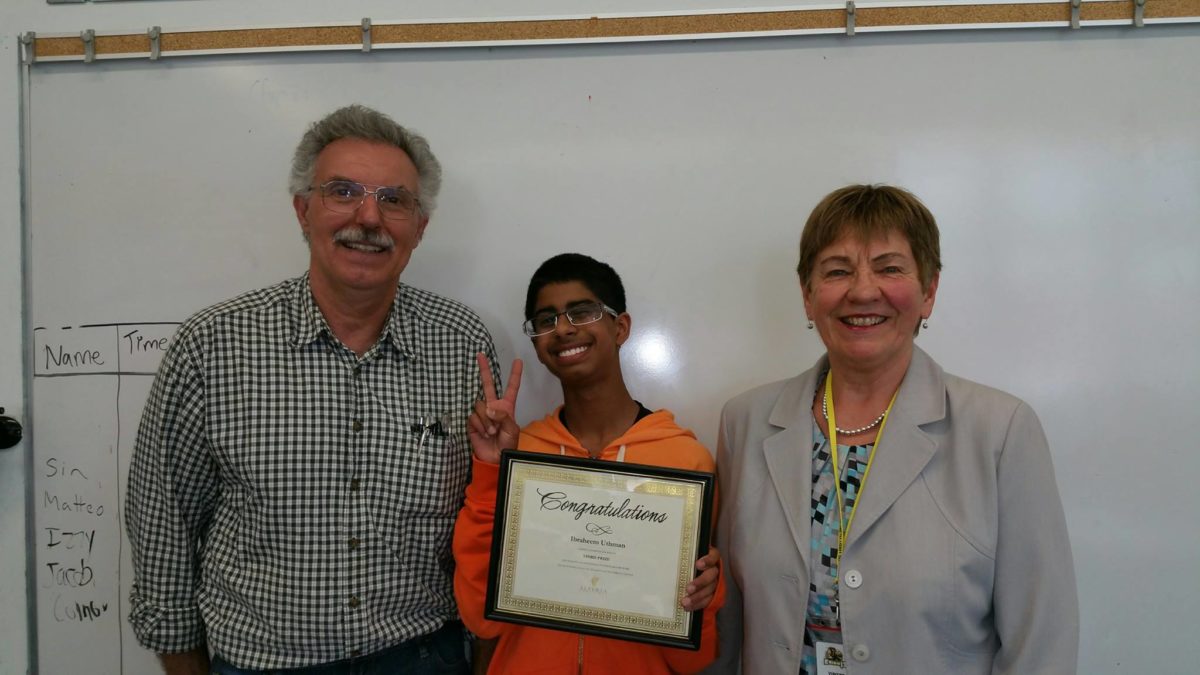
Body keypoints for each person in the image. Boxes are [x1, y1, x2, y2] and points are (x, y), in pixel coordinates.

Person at [125, 105, 497, 675]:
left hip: (423, 656)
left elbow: (487, 516)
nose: (369, 217)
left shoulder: (462, 344)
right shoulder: (213, 345)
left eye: (394, 200)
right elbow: (162, 525)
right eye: (343, 192)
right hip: (261, 664)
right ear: (303, 211)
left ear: (419, 227)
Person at [704, 185, 1078, 674]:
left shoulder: (1000, 431)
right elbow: (726, 618)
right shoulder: (746, 422)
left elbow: (1041, 639)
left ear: (929, 291)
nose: (862, 290)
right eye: (837, 270)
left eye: (889, 267)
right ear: (807, 295)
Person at [452, 253, 725, 674]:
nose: (562, 328)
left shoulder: (685, 460)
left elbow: (692, 657)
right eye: (546, 320)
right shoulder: (523, 455)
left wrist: (706, 593)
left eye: (582, 312)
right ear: (538, 345)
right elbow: (480, 615)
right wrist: (492, 471)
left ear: (621, 328)